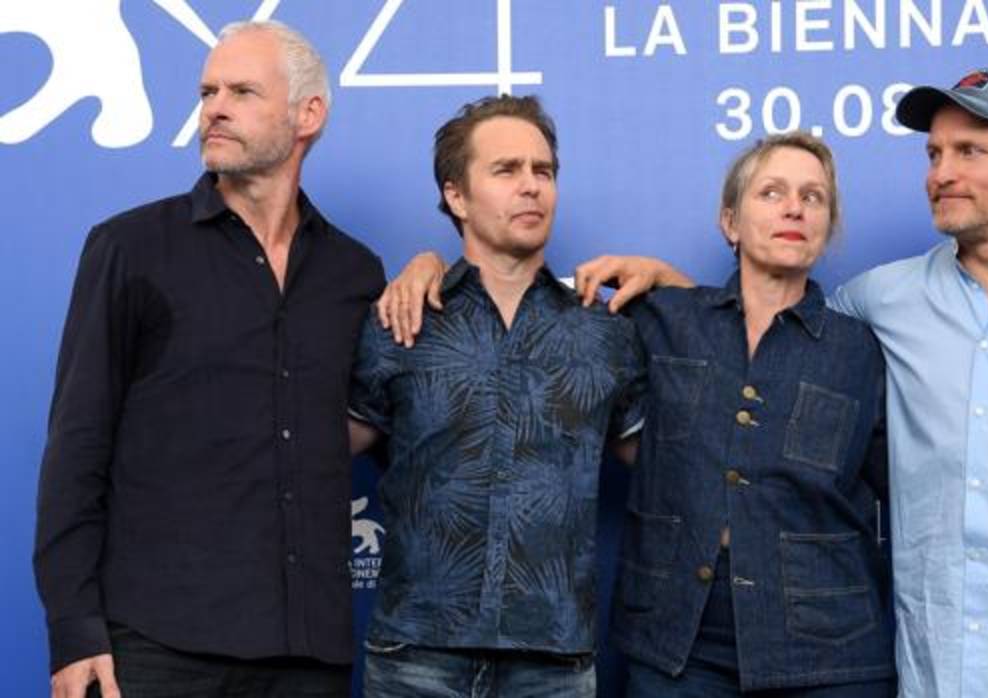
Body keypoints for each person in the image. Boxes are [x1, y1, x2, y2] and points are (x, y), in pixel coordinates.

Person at [568, 69, 988, 697]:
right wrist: (672, 287)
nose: (943, 174)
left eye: (971, 151)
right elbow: (767, 328)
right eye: (934, 154)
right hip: (953, 667)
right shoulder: (882, 300)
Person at [373, 132, 895, 695]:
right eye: (771, 192)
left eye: (814, 197)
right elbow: (518, 299)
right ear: (729, 222)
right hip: (677, 646)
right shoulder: (659, 320)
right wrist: (428, 265)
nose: (795, 207)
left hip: (827, 651)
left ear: (829, 224)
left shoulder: (864, 349)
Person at [34, 21, 384, 698]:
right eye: (207, 90)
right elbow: (77, 446)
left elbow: (390, 427)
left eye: (243, 91)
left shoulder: (354, 273)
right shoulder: (130, 249)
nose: (214, 107)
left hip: (306, 652)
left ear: (308, 115)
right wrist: (75, 630)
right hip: (160, 645)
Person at [346, 94, 645, 697]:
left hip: (554, 662)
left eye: (544, 172)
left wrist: (672, 282)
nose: (531, 187)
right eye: (506, 170)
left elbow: (674, 463)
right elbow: (310, 453)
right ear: (456, 195)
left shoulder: (603, 330)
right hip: (417, 655)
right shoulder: (401, 318)